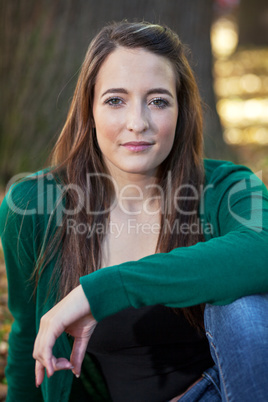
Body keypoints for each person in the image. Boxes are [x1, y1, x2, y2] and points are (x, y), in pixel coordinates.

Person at [0, 21, 268, 402]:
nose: (137, 123)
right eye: (115, 100)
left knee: (242, 303)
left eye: (158, 101)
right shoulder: (33, 207)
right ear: (89, 110)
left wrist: (102, 291)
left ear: (182, 110)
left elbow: (263, 249)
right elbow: (31, 340)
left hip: (231, 390)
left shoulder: (227, 189)